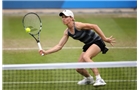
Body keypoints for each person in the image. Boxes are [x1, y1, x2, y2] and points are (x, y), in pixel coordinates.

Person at [39, 10, 115, 86]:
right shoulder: (67, 32)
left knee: (86, 56)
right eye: (62, 17)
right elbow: (59, 46)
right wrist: (46, 52)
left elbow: (94, 26)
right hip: (88, 45)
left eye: (66, 17)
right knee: (79, 68)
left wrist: (104, 38)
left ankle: (99, 79)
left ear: (72, 18)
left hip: (97, 42)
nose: (63, 19)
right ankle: (89, 79)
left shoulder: (78, 25)